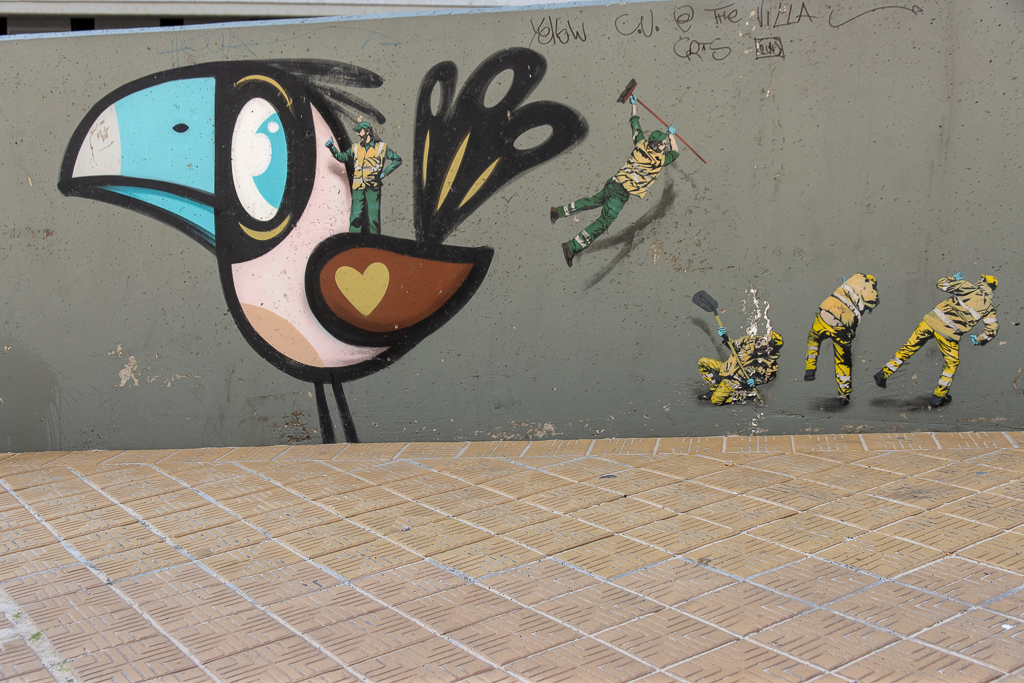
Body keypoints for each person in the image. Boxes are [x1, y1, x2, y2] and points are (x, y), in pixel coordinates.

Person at [551, 95, 679, 267]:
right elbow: (675, 153)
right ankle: (572, 246)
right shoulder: (658, 160)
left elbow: (635, 124)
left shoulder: (641, 144)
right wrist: (672, 136)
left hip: (613, 183)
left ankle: (558, 212)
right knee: (603, 223)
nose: (665, 146)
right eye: (662, 144)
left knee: (592, 201)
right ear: (656, 146)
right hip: (621, 194)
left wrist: (634, 105)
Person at [874, 272, 998, 407]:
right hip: (948, 333)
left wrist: (953, 278)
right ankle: (938, 398)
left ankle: (883, 374)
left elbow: (941, 284)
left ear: (983, 281)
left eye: (982, 279)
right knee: (951, 363)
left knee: (909, 348)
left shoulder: (966, 286)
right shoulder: (989, 307)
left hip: (930, 321)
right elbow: (992, 330)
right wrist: (979, 339)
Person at [804, 273, 879, 406]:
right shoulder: (871, 290)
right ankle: (844, 393)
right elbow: (873, 302)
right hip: (843, 324)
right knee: (842, 360)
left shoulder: (854, 278)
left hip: (826, 312)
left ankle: (810, 368)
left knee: (813, 338)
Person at [325, 122, 402, 235]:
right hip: (358, 187)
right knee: (355, 217)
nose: (358, 134)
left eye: (360, 131)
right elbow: (343, 157)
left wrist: (384, 173)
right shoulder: (355, 147)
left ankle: (374, 242)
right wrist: (332, 148)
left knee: (373, 218)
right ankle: (353, 241)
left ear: (368, 131)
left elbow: (397, 160)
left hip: (373, 186)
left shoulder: (381, 147)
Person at [698, 328, 784, 405]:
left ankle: (743, 395)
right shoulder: (751, 340)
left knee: (715, 400)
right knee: (703, 362)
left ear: (769, 349)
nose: (761, 339)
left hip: (735, 381)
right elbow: (734, 345)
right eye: (764, 336)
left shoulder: (769, 363)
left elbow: (765, 378)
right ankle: (713, 389)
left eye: (765, 340)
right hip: (727, 368)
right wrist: (725, 338)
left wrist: (755, 381)